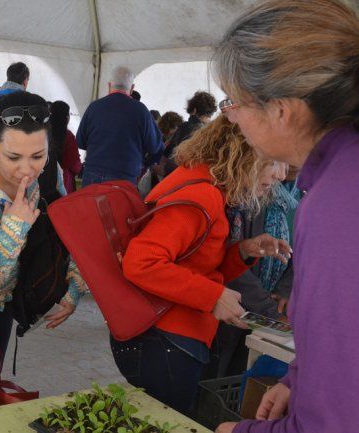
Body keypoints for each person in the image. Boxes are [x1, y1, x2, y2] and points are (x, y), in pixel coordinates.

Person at [212, 1, 359, 432]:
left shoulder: (338, 206)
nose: (231, 115)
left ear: (282, 110)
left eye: (234, 102)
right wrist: (301, 378)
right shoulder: (337, 176)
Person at [116, 116, 290, 414]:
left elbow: (196, 261)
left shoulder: (207, 184)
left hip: (171, 336)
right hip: (168, 338)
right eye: (273, 162)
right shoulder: (202, 193)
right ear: (244, 154)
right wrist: (213, 296)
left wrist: (244, 252)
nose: (282, 174)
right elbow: (140, 262)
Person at [0, 91, 88, 411]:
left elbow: (51, 235)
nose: (27, 169)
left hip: (6, 301)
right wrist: (13, 228)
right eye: (13, 157)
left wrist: (74, 287)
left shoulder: (36, 177)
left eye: (37, 156)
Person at [210, 159, 290, 378]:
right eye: (275, 162)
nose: (282, 174)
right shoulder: (227, 198)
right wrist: (269, 310)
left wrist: (285, 287)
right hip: (230, 308)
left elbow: (301, 249)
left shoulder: (280, 195)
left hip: (260, 305)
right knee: (215, 374)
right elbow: (218, 260)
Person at [76, 66, 163, 186]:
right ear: (132, 88)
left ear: (109, 85)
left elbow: (80, 142)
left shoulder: (94, 107)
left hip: (92, 175)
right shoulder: (141, 111)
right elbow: (155, 147)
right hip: (124, 177)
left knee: (90, 205)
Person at [50, 100, 82, 193]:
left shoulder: (44, 133)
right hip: (64, 181)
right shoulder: (68, 137)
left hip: (46, 178)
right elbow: (75, 165)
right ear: (66, 117)